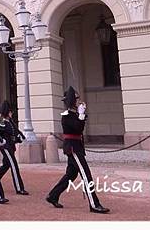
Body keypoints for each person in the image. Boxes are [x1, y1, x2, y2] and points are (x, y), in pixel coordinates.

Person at [46, 86, 110, 214]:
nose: (78, 102)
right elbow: (78, 128)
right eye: (76, 100)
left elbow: (80, 125)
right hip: (73, 148)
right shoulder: (67, 116)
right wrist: (81, 114)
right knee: (86, 175)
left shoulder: (73, 114)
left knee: (71, 175)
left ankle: (53, 195)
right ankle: (94, 204)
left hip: (76, 147)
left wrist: (81, 113)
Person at [0, 101, 28, 195]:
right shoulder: (2, 123)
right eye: (10, 112)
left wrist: (20, 138)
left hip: (11, 146)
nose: (11, 113)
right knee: (14, 166)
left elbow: (15, 133)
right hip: (6, 147)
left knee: (6, 165)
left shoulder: (10, 122)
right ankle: (19, 188)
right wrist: (0, 142)